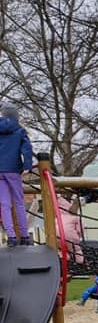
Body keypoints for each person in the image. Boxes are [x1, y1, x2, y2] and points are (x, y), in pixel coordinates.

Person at [0, 102, 33, 247]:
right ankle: (24, 236)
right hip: (13, 170)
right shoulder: (19, 130)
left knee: (4, 204)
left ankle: (11, 237)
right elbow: (27, 149)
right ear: (16, 115)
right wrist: (27, 166)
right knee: (19, 202)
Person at [55, 195, 84, 265]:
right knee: (76, 249)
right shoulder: (74, 217)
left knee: (60, 248)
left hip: (56, 237)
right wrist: (79, 236)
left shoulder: (57, 217)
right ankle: (79, 260)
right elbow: (80, 229)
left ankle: (64, 257)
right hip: (70, 238)